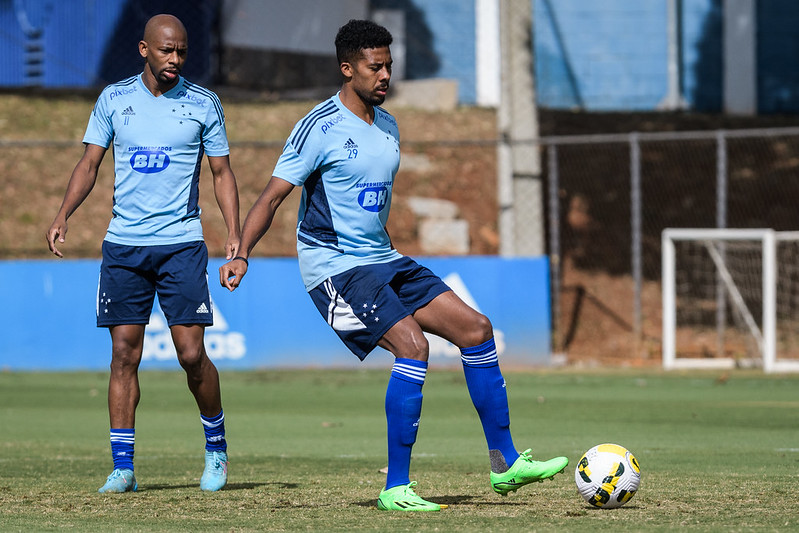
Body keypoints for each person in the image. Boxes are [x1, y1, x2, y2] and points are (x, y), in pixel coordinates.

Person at [218, 19, 568, 511]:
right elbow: (274, 197)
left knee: (476, 329)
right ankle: (395, 487)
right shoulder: (318, 126)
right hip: (335, 268)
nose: (385, 75)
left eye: (388, 65)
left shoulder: (388, 125)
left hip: (384, 258)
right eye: (374, 66)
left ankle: (505, 463)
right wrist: (241, 254)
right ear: (347, 68)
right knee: (413, 345)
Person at [46, 14, 240, 493]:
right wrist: (63, 214)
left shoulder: (203, 103)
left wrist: (234, 233)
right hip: (124, 247)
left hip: (181, 245)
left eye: (182, 51)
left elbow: (221, 173)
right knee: (122, 355)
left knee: (191, 354)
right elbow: (89, 163)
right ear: (144, 49)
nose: (175, 59)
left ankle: (216, 449)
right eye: (167, 51)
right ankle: (123, 467)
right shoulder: (113, 99)